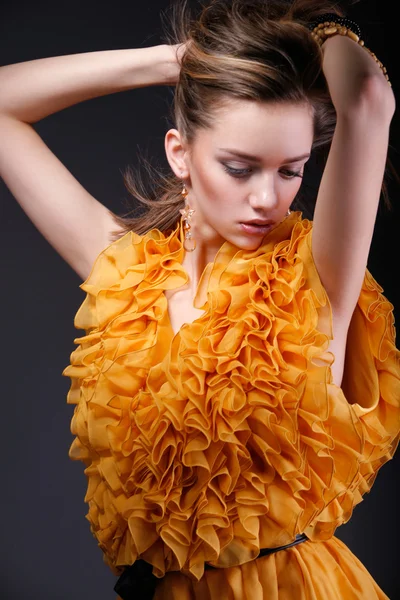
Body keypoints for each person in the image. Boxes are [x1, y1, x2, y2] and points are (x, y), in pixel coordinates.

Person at [0, 0, 399, 598]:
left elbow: (367, 96)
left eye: (290, 170)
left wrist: (312, 33)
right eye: (240, 167)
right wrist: (176, 61)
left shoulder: (314, 279)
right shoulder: (126, 281)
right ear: (179, 153)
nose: (269, 198)